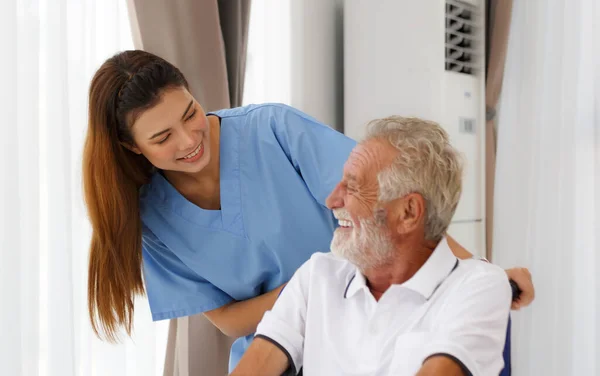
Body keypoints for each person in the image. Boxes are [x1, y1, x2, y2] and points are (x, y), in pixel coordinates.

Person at [83, 50, 534, 372]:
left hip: (367, 317)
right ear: (131, 147)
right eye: (162, 138)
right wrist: (312, 297)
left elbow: (398, 205)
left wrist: (482, 275)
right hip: (277, 344)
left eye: (190, 113)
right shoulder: (315, 280)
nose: (188, 139)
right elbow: (224, 318)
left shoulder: (272, 131)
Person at [232, 117, 514, 376]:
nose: (331, 201)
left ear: (408, 212)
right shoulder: (318, 275)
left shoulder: (478, 285)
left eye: (352, 188)